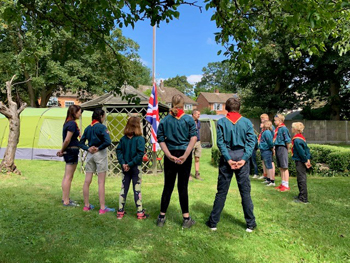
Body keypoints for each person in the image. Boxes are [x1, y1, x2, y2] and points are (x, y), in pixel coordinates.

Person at [206, 97, 257, 233]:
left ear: (227, 108)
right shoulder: (246, 122)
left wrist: (228, 159)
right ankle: (250, 224)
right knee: (245, 192)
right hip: (241, 156)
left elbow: (220, 143)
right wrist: (245, 158)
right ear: (239, 108)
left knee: (221, 192)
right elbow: (252, 141)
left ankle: (213, 223)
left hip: (227, 157)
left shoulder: (222, 122)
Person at [156, 94, 197, 228]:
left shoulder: (165, 120)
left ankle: (161, 218)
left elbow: (160, 139)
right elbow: (193, 138)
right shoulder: (189, 120)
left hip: (171, 154)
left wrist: (168, 155)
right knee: (182, 186)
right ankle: (186, 219)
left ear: (171, 104)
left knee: (168, 186)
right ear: (183, 104)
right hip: (184, 154)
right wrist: (186, 155)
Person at [79, 108, 115, 214]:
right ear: (101, 117)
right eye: (104, 116)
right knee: (101, 182)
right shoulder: (102, 127)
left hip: (90, 154)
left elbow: (80, 143)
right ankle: (102, 208)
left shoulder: (88, 128)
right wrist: (99, 148)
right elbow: (108, 141)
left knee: (87, 181)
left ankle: (86, 206)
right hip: (100, 154)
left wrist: (88, 148)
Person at [116, 116, 148, 219]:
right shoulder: (140, 139)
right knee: (137, 189)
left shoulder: (123, 139)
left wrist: (123, 163)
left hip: (125, 167)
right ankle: (140, 212)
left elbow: (119, 151)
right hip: (135, 168)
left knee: (123, 188)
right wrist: (130, 164)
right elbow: (140, 155)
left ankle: (120, 211)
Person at [57, 105, 82, 207]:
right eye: (79, 112)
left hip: (69, 151)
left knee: (66, 176)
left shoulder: (67, 123)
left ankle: (65, 198)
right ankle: (66, 201)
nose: (80, 114)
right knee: (69, 177)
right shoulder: (72, 124)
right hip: (71, 151)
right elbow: (67, 139)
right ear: (74, 112)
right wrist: (62, 150)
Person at [291, 122, 311, 203]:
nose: (291, 129)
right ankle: (301, 195)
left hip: (300, 160)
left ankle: (303, 198)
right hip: (302, 160)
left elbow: (301, 152)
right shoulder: (301, 138)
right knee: (300, 178)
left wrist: (305, 160)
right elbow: (307, 149)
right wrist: (308, 158)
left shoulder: (297, 140)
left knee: (301, 179)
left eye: (292, 127)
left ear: (295, 129)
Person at [273, 114, 291, 192]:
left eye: (275, 120)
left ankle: (286, 184)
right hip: (277, 147)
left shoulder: (284, 129)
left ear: (280, 120)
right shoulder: (277, 129)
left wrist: (288, 149)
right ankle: (283, 183)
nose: (274, 121)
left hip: (282, 147)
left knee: (284, 166)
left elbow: (287, 140)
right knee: (280, 166)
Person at [258, 113, 275, 180]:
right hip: (264, 148)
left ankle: (271, 178)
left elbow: (271, 138)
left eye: (263, 118)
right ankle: (266, 176)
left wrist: (272, 148)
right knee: (265, 162)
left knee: (270, 163)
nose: (262, 120)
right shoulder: (264, 129)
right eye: (261, 119)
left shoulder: (269, 129)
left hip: (267, 148)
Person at [190, 109, 203, 181]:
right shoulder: (189, 121)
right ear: (194, 114)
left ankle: (197, 174)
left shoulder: (199, 122)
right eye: (198, 114)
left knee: (197, 158)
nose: (199, 115)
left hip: (198, 142)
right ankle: (188, 174)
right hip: (191, 142)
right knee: (189, 159)